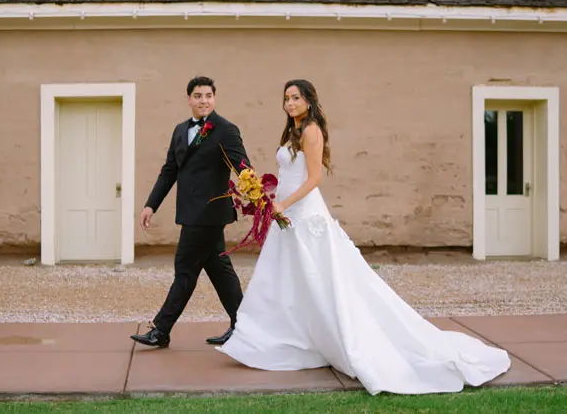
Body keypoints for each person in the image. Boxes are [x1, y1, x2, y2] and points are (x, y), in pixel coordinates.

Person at [216, 79, 511, 395]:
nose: (289, 103)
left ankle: (326, 337)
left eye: (295, 97)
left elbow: (314, 178)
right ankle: (278, 339)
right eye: (286, 98)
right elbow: (292, 174)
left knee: (320, 280)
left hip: (303, 215)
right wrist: (267, 197)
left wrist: (284, 203)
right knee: (285, 280)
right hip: (285, 214)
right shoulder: (293, 131)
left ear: (309, 101)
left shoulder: (311, 130)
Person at [131, 76, 250, 348]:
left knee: (185, 269)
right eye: (198, 96)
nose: (203, 100)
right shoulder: (179, 130)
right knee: (219, 270)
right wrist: (151, 204)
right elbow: (169, 171)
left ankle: (161, 328)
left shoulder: (226, 130)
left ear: (214, 98)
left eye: (208, 95)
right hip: (189, 212)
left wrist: (252, 189)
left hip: (210, 214)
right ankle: (243, 325)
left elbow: (243, 167)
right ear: (189, 99)